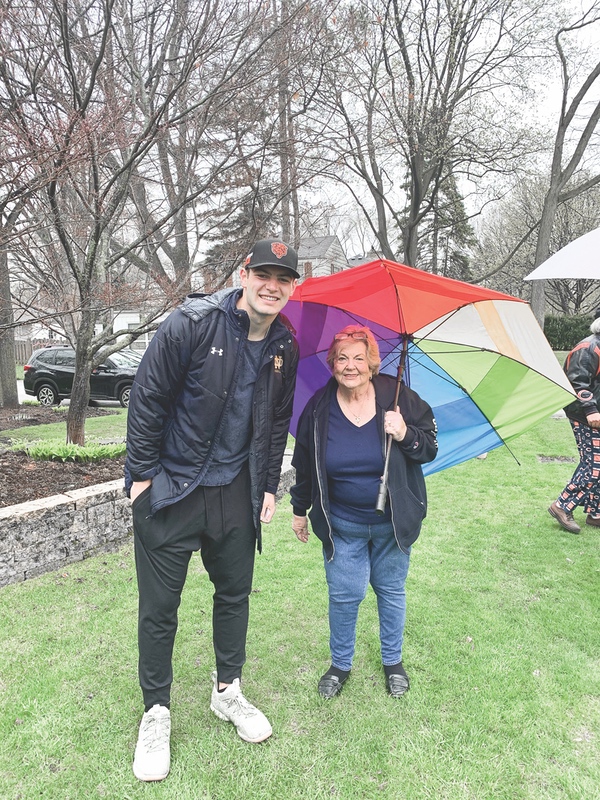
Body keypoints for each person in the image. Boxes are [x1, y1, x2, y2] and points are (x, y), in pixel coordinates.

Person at [125, 239, 299, 781]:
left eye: (284, 278)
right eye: (263, 274)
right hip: (174, 489)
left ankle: (228, 691)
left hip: (236, 491)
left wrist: (269, 484)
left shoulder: (284, 344)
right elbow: (147, 397)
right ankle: (156, 711)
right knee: (160, 608)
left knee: (234, 595)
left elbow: (275, 422)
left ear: (293, 288)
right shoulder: (192, 324)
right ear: (243, 275)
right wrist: (142, 480)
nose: (273, 285)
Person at [290, 325, 437, 699]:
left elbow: (429, 448)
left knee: (390, 590)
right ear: (332, 364)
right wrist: (299, 509)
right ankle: (340, 664)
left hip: (392, 524)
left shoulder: (399, 396)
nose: (350, 366)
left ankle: (393, 662)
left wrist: (405, 433)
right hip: (343, 524)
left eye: (359, 358)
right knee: (344, 594)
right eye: (342, 358)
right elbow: (304, 462)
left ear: (372, 363)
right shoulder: (319, 407)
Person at [548, 310, 600, 534]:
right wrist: (590, 408)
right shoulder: (588, 348)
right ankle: (562, 505)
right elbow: (577, 380)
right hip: (585, 414)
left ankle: (596, 513)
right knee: (594, 465)